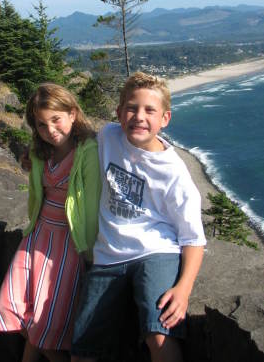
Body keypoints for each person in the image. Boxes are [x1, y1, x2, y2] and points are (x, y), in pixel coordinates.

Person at [71, 72, 206, 362]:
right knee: (83, 347)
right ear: (119, 112)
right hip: (108, 255)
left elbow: (193, 237)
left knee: (158, 333)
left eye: (149, 110)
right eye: (131, 108)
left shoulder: (174, 173)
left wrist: (183, 289)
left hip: (156, 251)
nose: (139, 117)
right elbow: (67, 129)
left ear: (165, 118)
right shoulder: (108, 136)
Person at [0, 83, 101, 362]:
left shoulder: (87, 151)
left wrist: (89, 250)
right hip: (37, 236)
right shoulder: (41, 151)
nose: (50, 130)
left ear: (73, 114)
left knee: (43, 323)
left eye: (56, 119)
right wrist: (29, 159)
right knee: (16, 309)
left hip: (68, 243)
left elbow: (93, 202)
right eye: (41, 124)